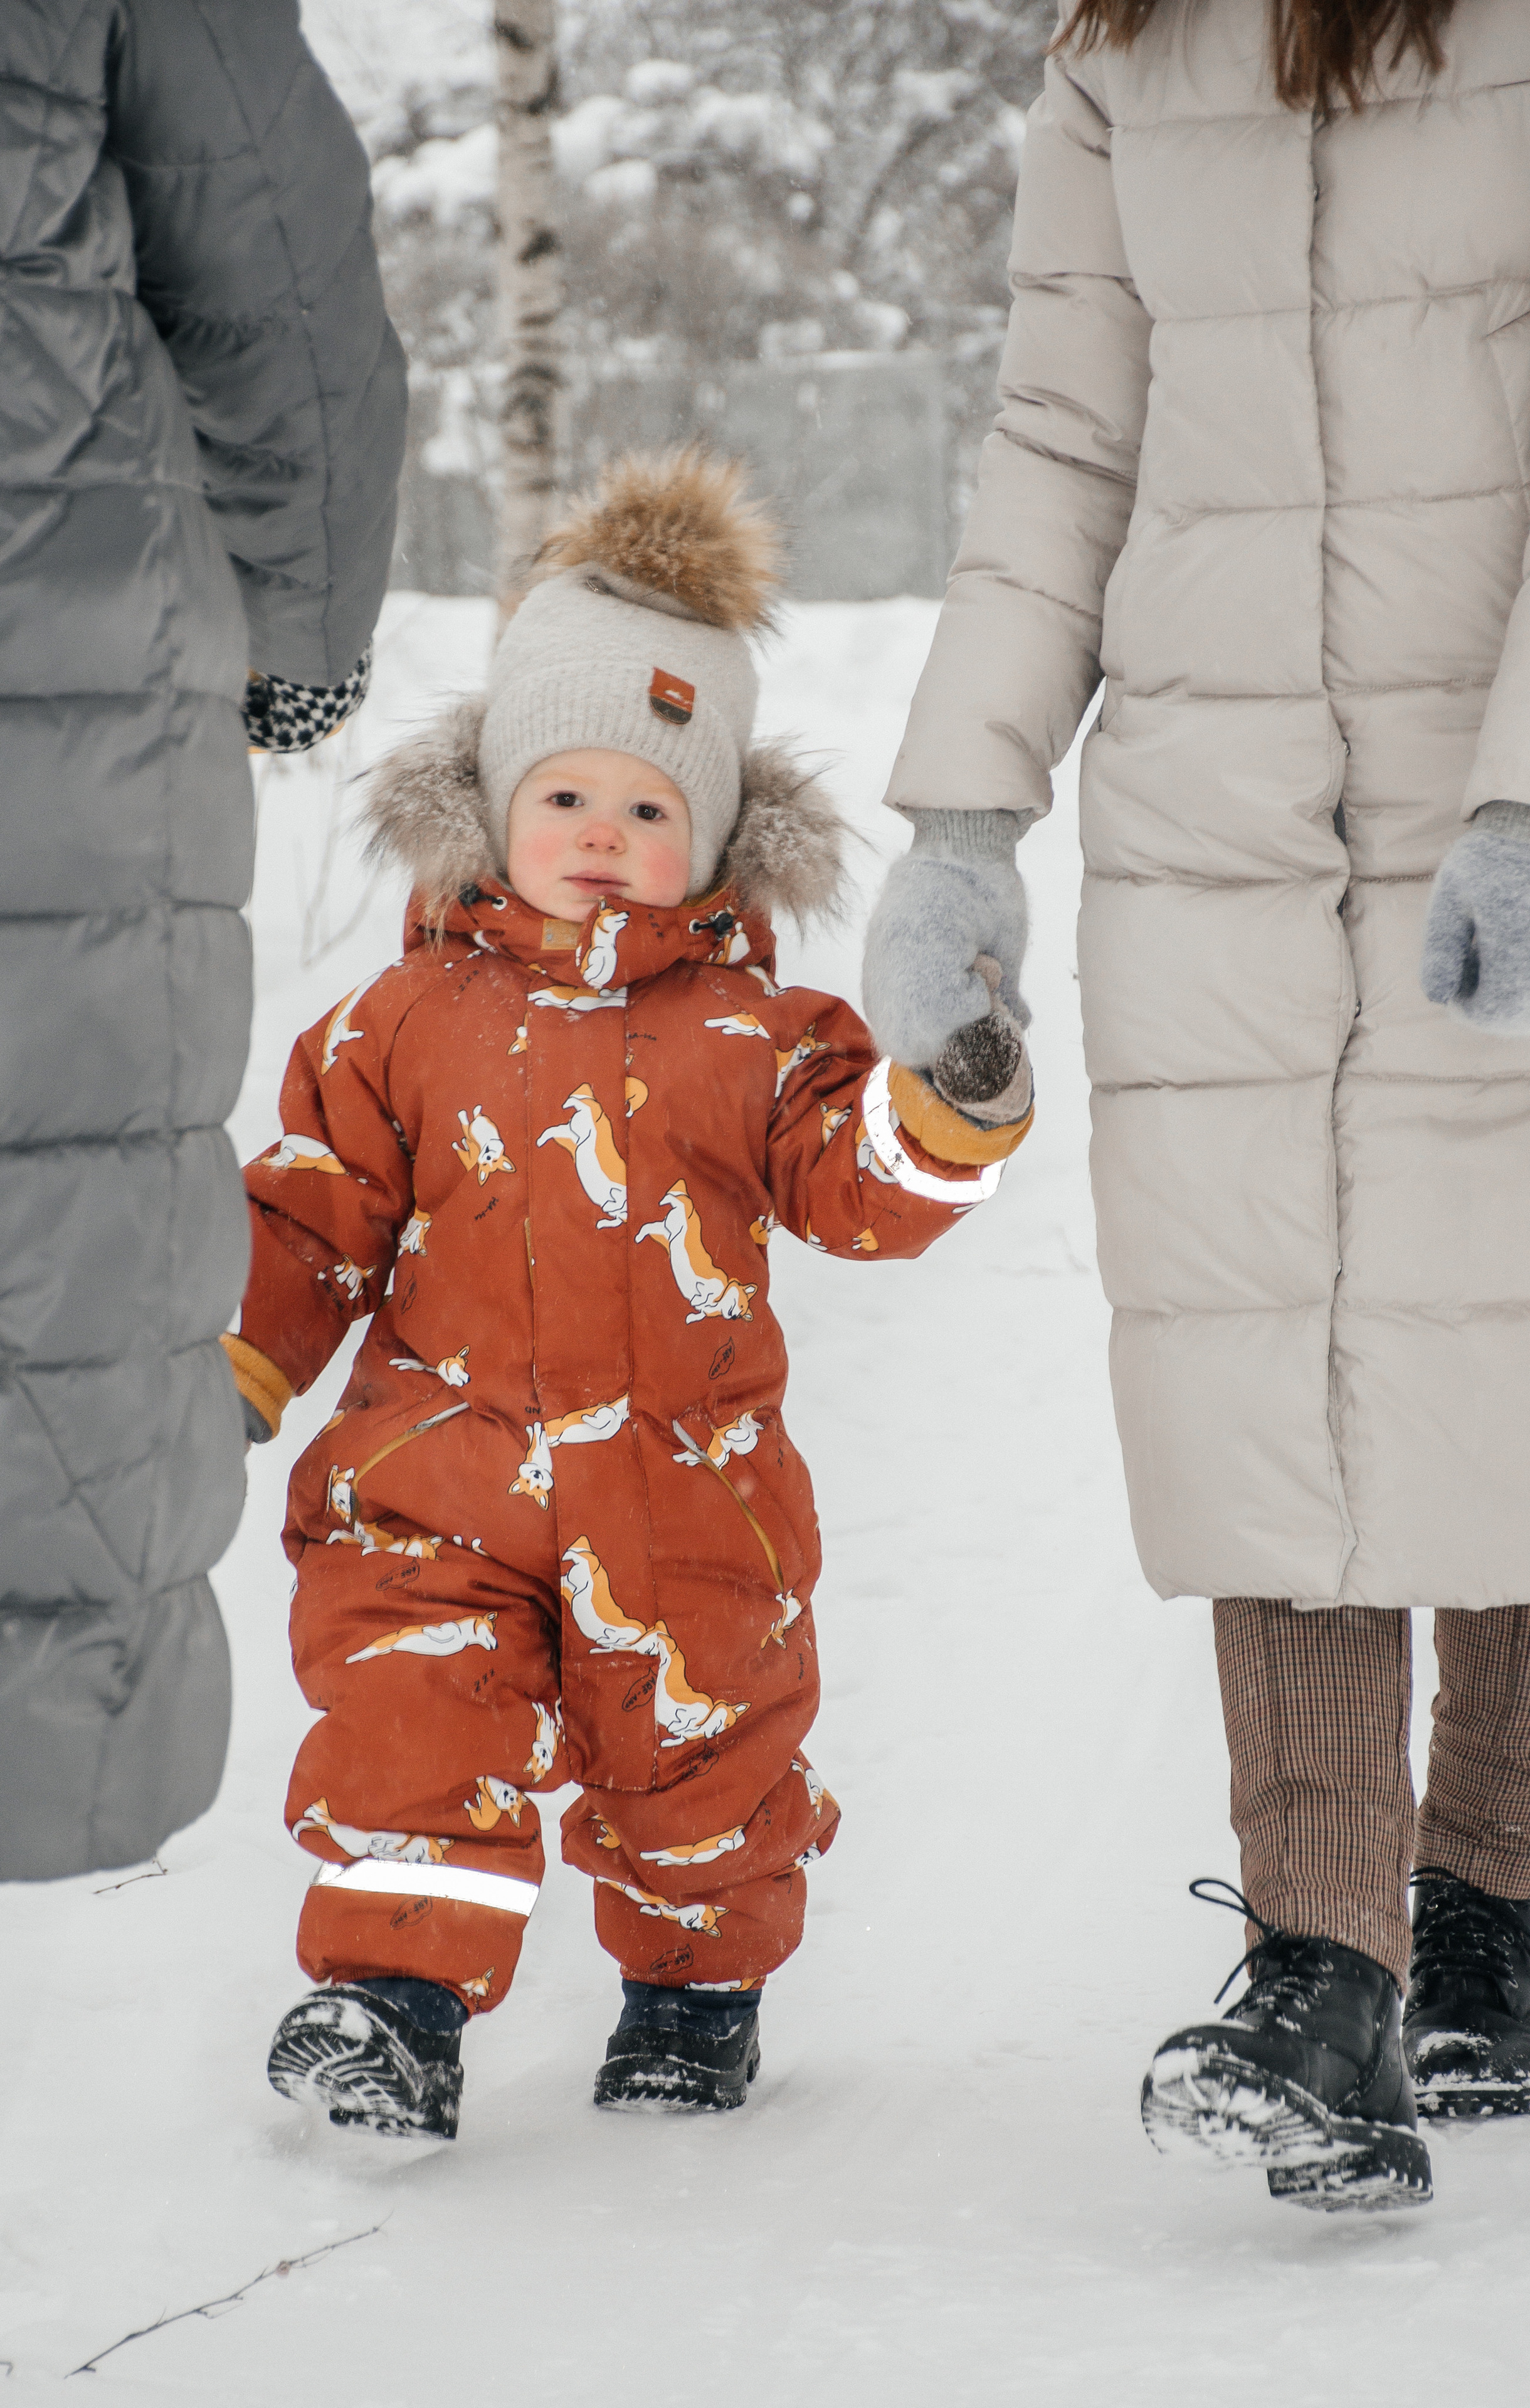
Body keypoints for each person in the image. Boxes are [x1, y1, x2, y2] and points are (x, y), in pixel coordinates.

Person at [863, 0, 1530, 2212]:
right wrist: (966, 814)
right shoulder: (1124, 44)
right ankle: (1322, 1977)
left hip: (1519, 785)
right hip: (1215, 800)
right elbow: (1061, 437)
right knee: (1255, 1357)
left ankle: (1480, 1909)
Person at [221, 452, 1033, 2136]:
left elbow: (856, 1186)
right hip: (433, 1489)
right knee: (407, 1723)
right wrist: (241, 1354)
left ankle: (692, 1992)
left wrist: (941, 1110)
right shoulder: (402, 1021)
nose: (605, 837)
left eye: (654, 810)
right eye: (570, 799)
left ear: (720, 838)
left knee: (704, 1768)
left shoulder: (758, 1038)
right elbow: (315, 1208)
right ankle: (391, 2009)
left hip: (686, 1499)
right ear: (496, 807)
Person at [0, 1, 404, 1881]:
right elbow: (266, 221)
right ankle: (60, 1781)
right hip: (63, 606)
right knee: (64, 1205)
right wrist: (307, 618)